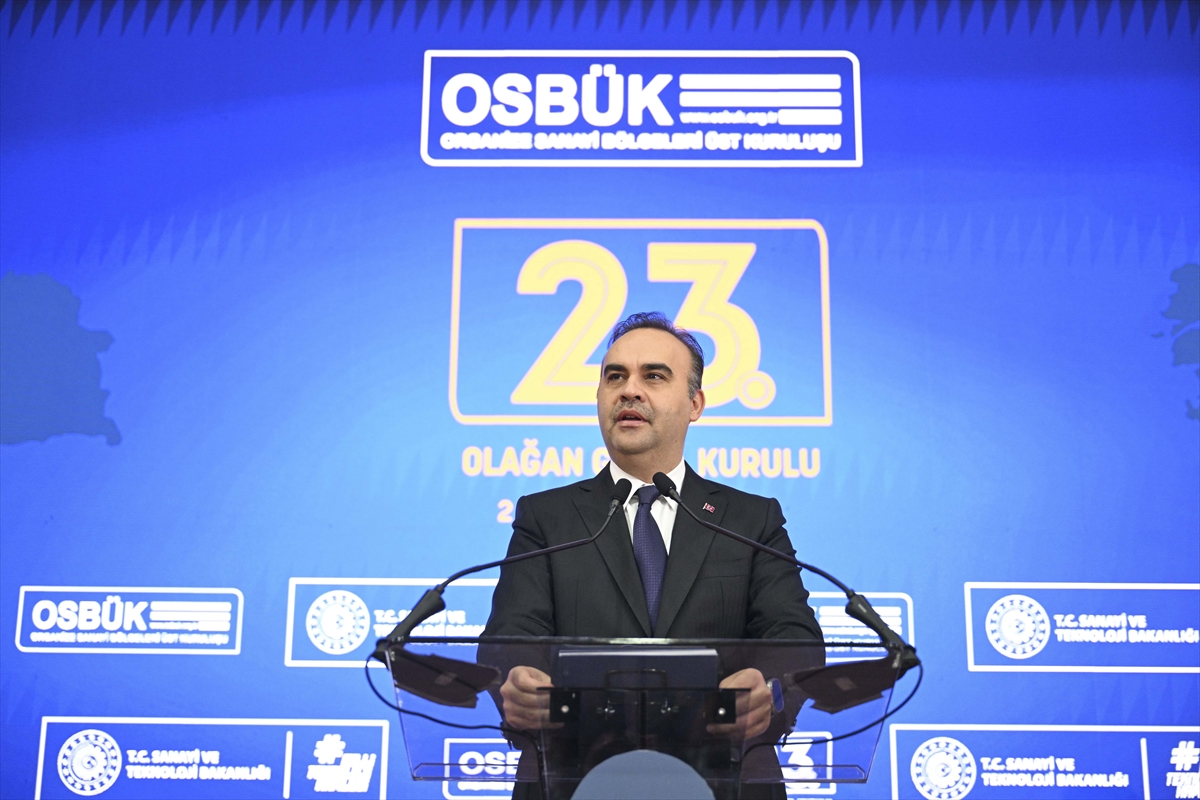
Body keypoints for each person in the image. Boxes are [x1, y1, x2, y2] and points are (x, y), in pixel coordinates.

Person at [482, 311, 822, 794]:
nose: (629, 391)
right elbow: (509, 639)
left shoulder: (750, 520)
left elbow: (796, 639)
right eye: (614, 377)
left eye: (654, 376)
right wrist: (517, 679)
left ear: (695, 403)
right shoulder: (546, 518)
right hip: (575, 779)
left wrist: (768, 687)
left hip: (725, 778)